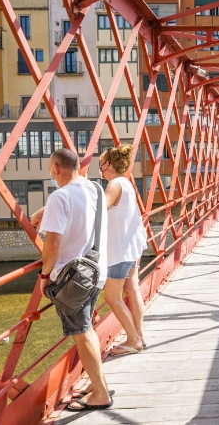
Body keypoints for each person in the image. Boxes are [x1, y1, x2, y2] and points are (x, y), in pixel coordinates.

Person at [33, 148, 111, 411]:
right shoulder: (97, 190)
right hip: (96, 271)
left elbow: (52, 244)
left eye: (49, 170)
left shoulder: (59, 197)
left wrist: (44, 277)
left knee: (82, 332)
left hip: (71, 279)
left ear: (56, 168)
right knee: (86, 327)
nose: (51, 174)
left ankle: (101, 394)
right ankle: (98, 382)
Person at [99, 144, 149, 357]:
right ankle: (138, 335)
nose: (99, 167)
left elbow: (100, 209)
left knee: (112, 297)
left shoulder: (113, 185)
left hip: (119, 250)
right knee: (132, 289)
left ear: (108, 165)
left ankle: (133, 339)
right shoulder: (127, 183)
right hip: (132, 246)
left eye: (101, 163)